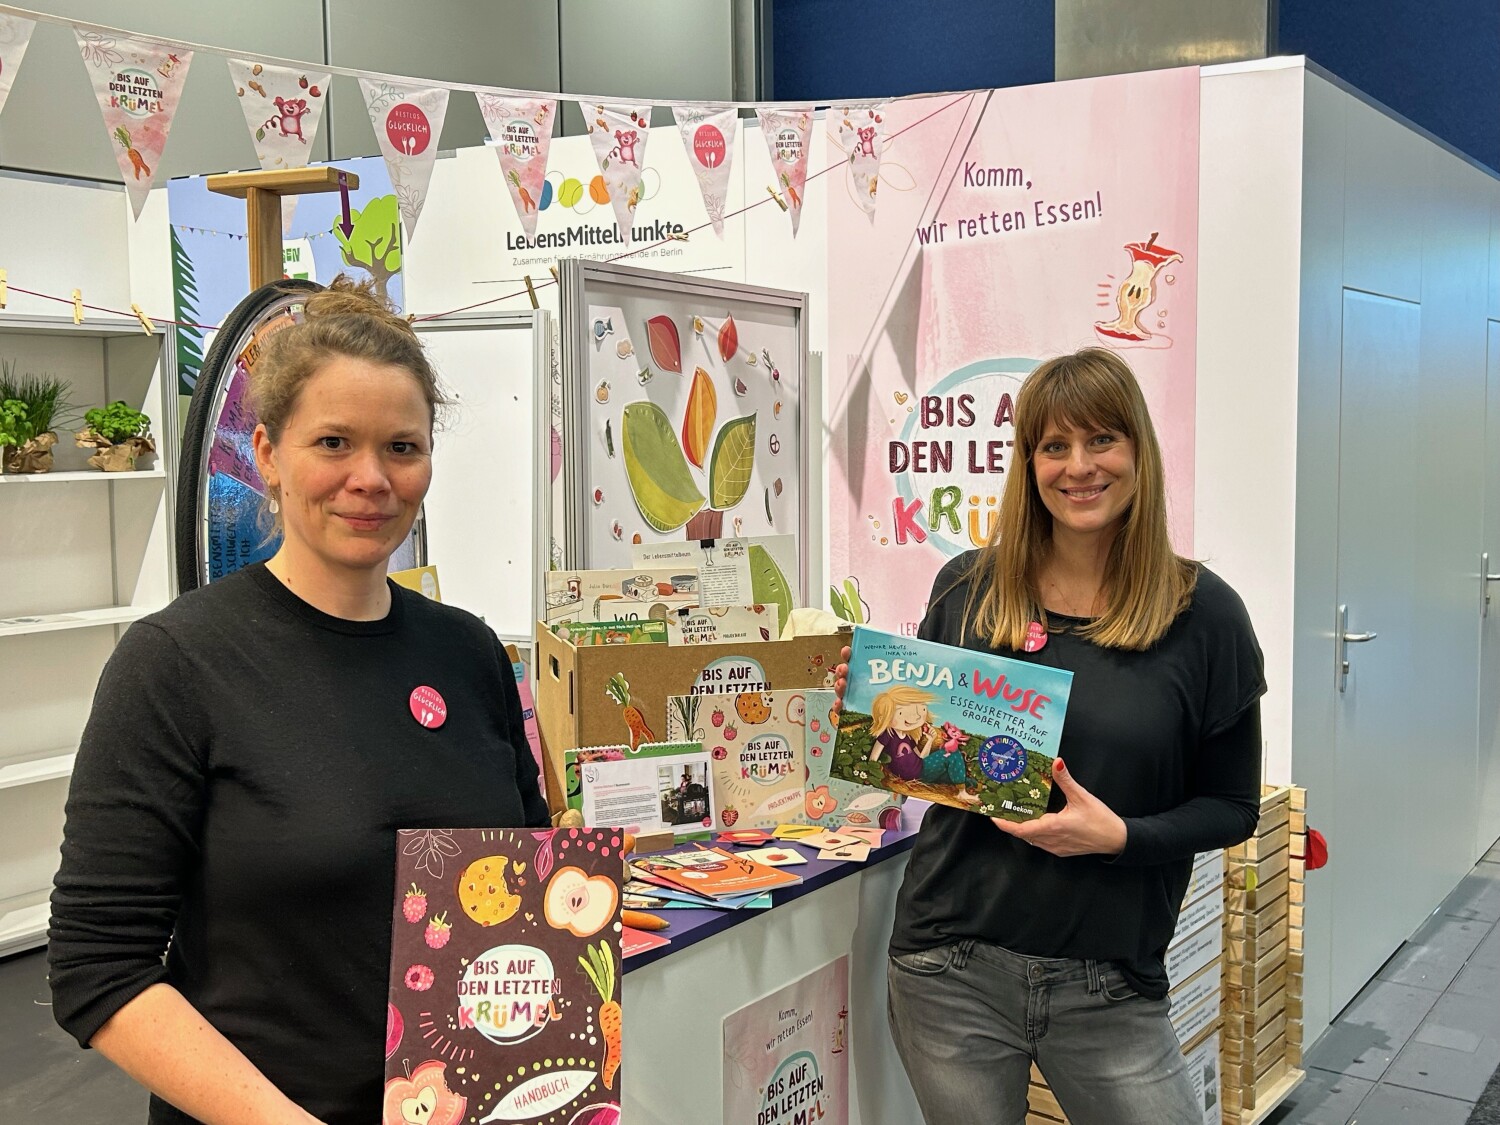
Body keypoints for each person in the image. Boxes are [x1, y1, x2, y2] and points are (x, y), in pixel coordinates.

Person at [47, 277, 550, 1125]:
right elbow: (99, 969)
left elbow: (524, 883)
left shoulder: (468, 652)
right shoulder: (177, 664)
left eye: (401, 446)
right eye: (333, 442)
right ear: (270, 454)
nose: (371, 478)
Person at [838, 348, 1264, 1125]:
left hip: (1109, 983)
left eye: (1102, 440)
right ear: (1029, 463)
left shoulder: (1205, 617)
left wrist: (1121, 835)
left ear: (1138, 450)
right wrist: (875, 708)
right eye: (1054, 446)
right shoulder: (968, 588)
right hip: (950, 963)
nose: (1079, 467)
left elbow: (1234, 807)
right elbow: (928, 755)